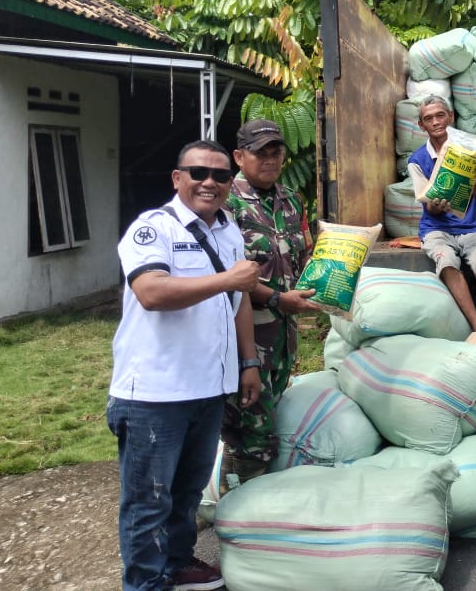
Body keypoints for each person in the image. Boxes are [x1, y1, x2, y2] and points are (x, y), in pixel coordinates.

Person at [108, 140, 262, 591]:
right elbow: (152, 293)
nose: (209, 183)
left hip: (208, 387)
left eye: (220, 176)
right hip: (155, 394)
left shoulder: (228, 230)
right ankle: (144, 582)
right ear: (178, 179)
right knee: (147, 502)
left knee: (187, 493)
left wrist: (247, 361)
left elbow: (240, 302)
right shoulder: (153, 228)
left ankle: (176, 564)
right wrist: (228, 278)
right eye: (198, 173)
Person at [220, 119, 321, 493]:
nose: (270, 159)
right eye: (260, 152)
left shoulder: (292, 200)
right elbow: (230, 272)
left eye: (276, 151)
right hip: (248, 330)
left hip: (283, 331)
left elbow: (307, 252)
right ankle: (240, 506)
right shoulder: (226, 201)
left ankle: (235, 495)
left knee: (265, 409)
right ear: (239, 156)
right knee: (253, 424)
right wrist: (277, 297)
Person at [407, 95, 476, 335]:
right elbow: (427, 205)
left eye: (440, 115)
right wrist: (436, 206)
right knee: (447, 262)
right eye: (428, 119)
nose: (435, 122)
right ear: (422, 126)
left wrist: (474, 173)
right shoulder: (417, 161)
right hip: (436, 229)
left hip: (471, 227)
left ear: (450, 117)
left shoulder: (468, 151)